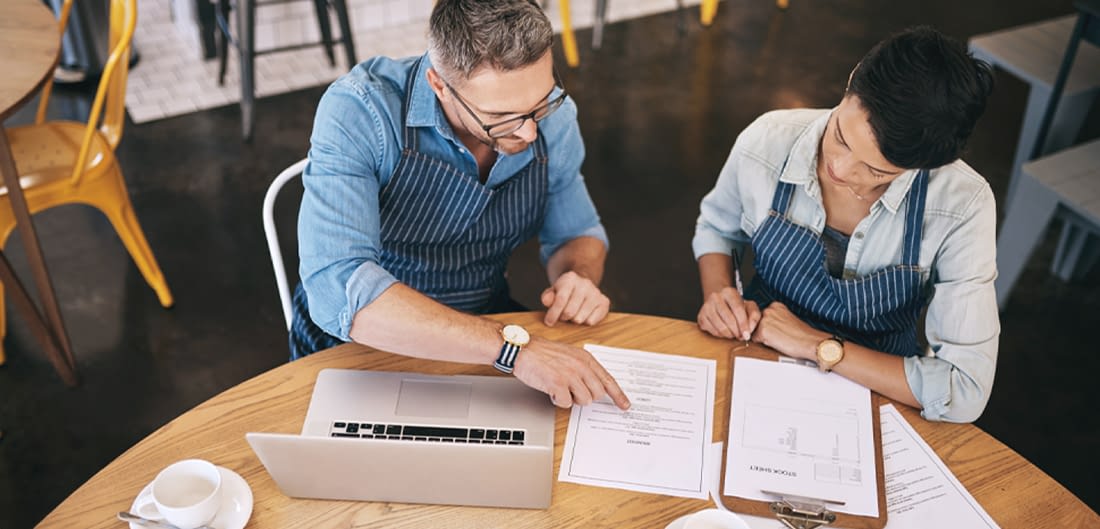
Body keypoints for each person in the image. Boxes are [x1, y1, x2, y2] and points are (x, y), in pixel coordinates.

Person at [294, 0, 630, 411]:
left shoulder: (552, 118)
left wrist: (577, 276)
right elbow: (338, 290)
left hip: (484, 326)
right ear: (439, 85)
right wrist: (512, 351)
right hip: (360, 346)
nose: (528, 132)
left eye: (539, 104)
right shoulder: (362, 109)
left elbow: (577, 232)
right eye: (501, 116)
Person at [693, 26, 997, 423]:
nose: (838, 168)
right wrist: (719, 294)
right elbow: (716, 228)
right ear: (854, 77)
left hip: (880, 387)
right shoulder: (767, 141)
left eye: (875, 170)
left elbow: (964, 390)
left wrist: (819, 346)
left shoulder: (961, 205)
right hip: (759, 351)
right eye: (840, 136)